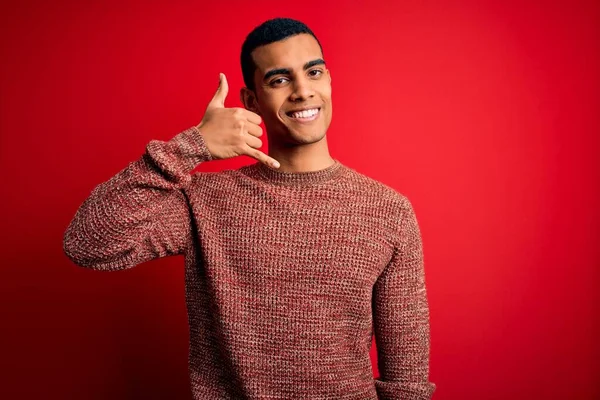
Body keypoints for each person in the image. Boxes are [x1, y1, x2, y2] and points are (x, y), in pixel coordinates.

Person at [63, 17, 436, 400]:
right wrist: (189, 146)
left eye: (314, 72)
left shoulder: (388, 211)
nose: (303, 91)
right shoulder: (204, 201)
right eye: (279, 80)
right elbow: (88, 243)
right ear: (251, 101)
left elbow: (406, 379)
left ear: (328, 80)